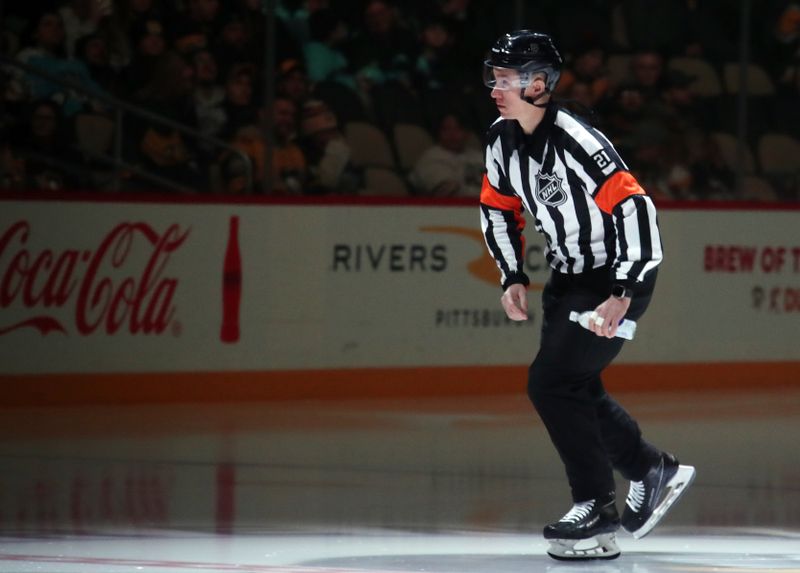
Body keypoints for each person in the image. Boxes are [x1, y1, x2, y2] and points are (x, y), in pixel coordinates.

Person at [479, 30, 696, 561]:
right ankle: (651, 468)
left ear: (538, 84)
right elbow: (496, 206)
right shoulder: (500, 139)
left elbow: (635, 209)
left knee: (551, 383)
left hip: (614, 276)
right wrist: (511, 274)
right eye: (494, 78)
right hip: (570, 279)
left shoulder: (576, 137)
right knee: (575, 387)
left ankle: (596, 509)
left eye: (505, 80)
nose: (494, 89)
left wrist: (623, 292)